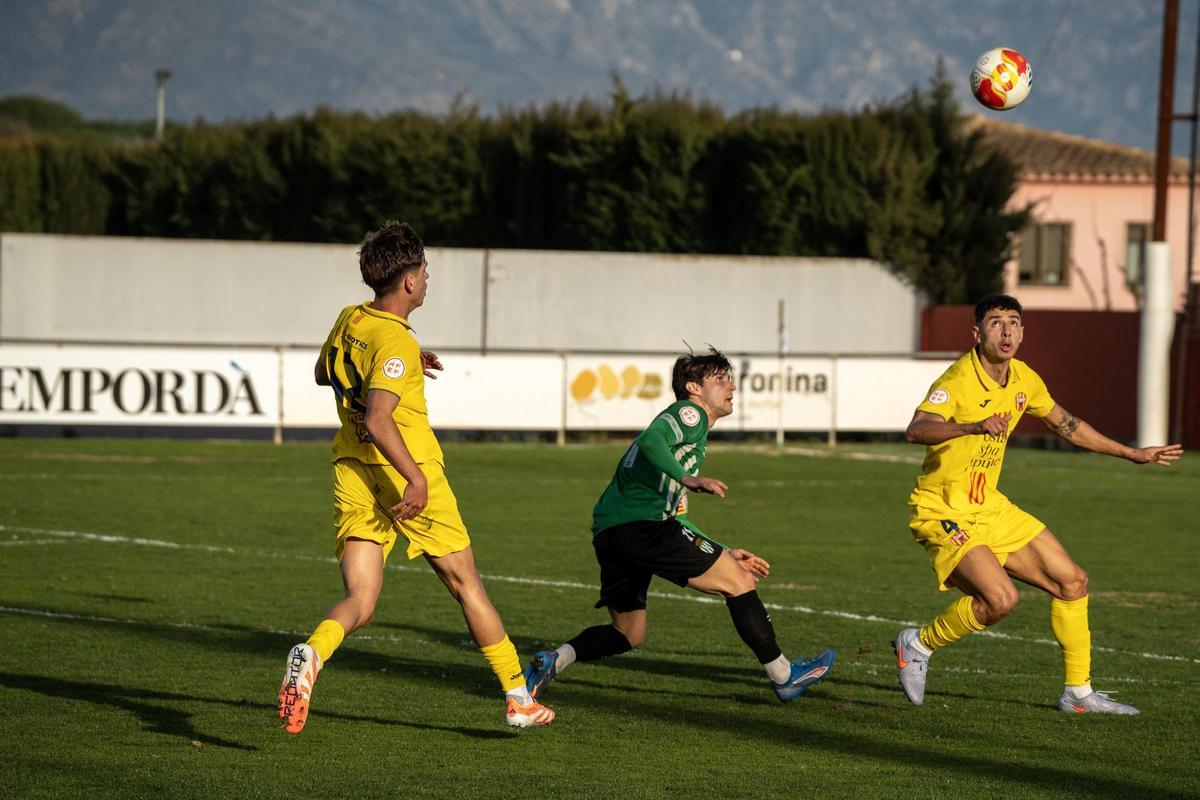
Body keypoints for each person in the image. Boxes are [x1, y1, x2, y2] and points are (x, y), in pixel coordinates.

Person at [276, 221, 553, 733]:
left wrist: (395, 365)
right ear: (407, 280)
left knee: (361, 602)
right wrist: (416, 479)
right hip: (407, 473)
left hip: (354, 471)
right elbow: (381, 419)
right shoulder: (395, 343)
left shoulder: (351, 319)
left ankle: (311, 654)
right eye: (425, 270)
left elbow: (325, 373)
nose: (428, 278)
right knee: (466, 585)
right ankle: (519, 697)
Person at [894, 293, 1183, 715]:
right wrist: (973, 425)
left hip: (990, 507)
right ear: (977, 333)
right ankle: (917, 644)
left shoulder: (1024, 379)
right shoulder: (956, 382)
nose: (1007, 330)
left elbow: (1067, 425)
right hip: (943, 511)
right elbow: (916, 430)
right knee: (1001, 601)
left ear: (1023, 331)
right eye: (996, 322)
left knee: (1072, 581)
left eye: (1014, 321)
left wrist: (1132, 453)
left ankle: (1078, 695)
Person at [523, 347, 836, 703]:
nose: (731, 385)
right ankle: (784, 676)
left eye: (730, 377)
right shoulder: (690, 414)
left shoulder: (693, 435)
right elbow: (651, 440)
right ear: (694, 387)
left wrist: (722, 549)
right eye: (719, 379)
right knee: (740, 581)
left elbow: (678, 519)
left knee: (628, 633)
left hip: (613, 533)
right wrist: (686, 477)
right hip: (644, 528)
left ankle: (554, 660)